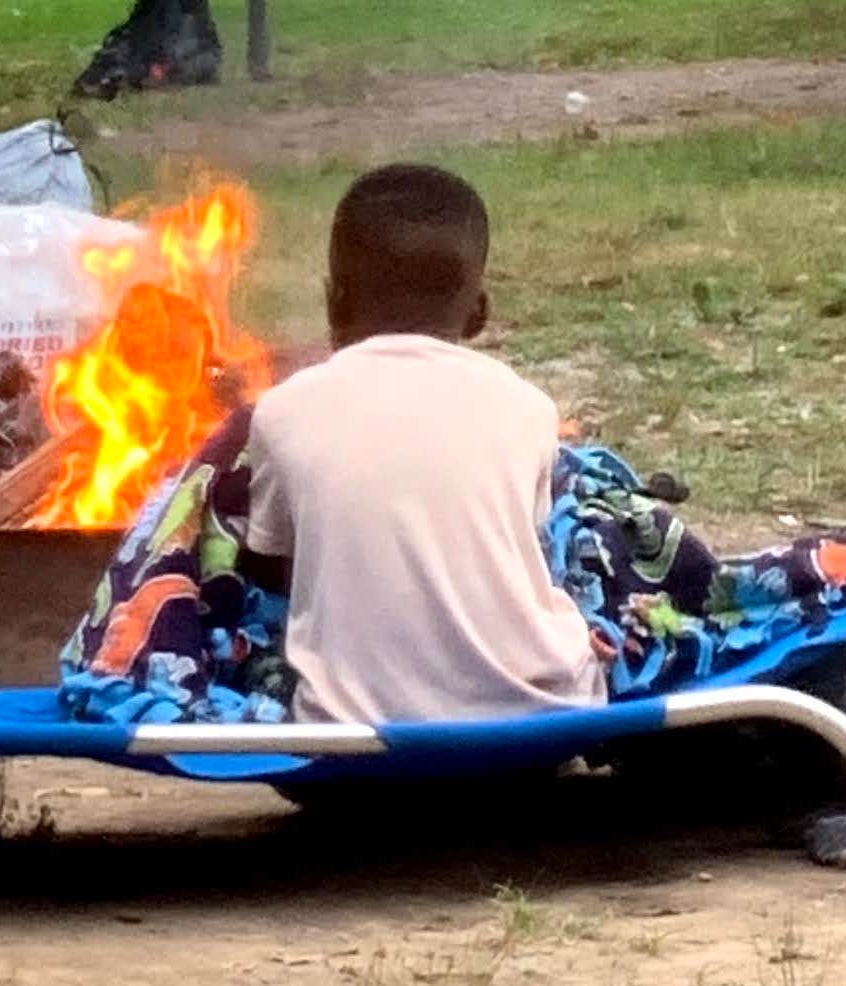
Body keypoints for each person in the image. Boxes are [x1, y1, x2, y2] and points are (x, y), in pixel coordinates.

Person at [230, 159, 607, 728]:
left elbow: (267, 571)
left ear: (334, 301)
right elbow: (531, 551)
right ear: (478, 311)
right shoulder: (528, 408)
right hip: (537, 732)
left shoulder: (283, 413)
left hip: (347, 754)